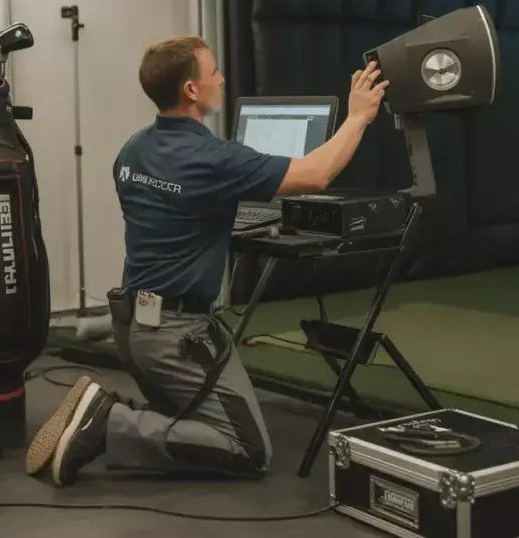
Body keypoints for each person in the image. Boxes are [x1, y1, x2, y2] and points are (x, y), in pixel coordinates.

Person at [25, 35, 389, 486]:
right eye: (213, 71)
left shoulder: (133, 149)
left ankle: (114, 413)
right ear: (191, 91)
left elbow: (173, 210)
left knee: (193, 416)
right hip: (176, 337)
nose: (221, 78)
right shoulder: (213, 158)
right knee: (248, 448)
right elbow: (315, 173)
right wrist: (358, 117)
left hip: (131, 327)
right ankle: (108, 421)